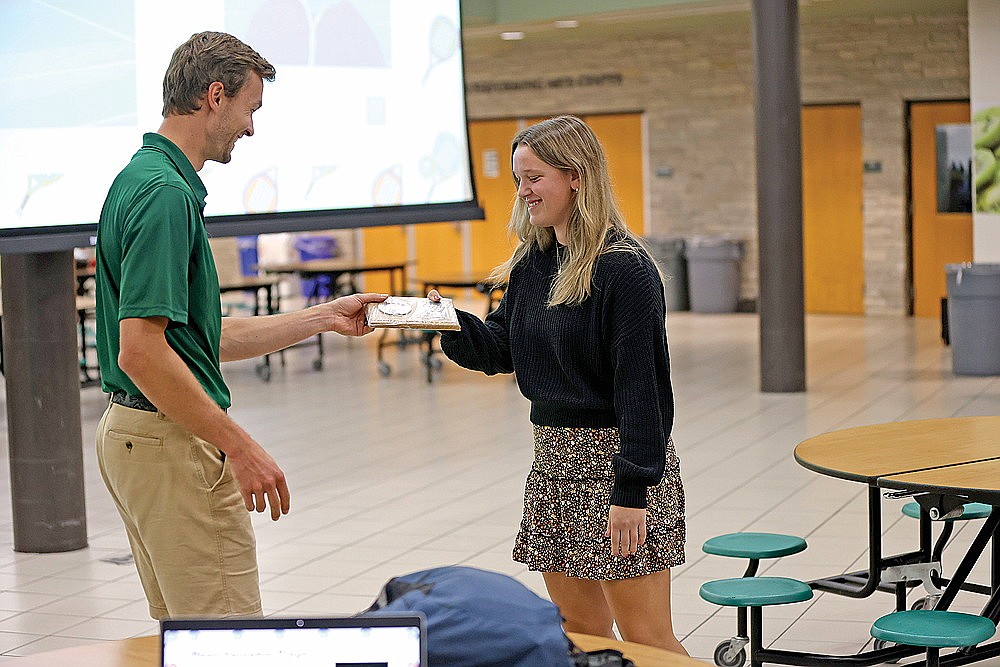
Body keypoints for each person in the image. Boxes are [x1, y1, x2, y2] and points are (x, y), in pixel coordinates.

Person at [94, 31, 386, 620]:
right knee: (230, 644)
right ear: (215, 95)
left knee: (188, 637)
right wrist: (240, 446)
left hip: (133, 435)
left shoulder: (141, 177)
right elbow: (142, 354)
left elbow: (203, 339)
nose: (251, 127)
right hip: (169, 441)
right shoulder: (164, 194)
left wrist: (324, 316)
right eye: (250, 108)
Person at [429, 115, 687, 653]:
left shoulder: (625, 270)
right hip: (554, 464)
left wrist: (633, 492)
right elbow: (501, 348)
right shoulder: (533, 264)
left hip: (618, 470)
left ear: (576, 177)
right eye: (519, 180)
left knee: (648, 639)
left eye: (534, 178)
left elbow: (644, 392)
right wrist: (445, 321)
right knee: (579, 633)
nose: (522, 193)